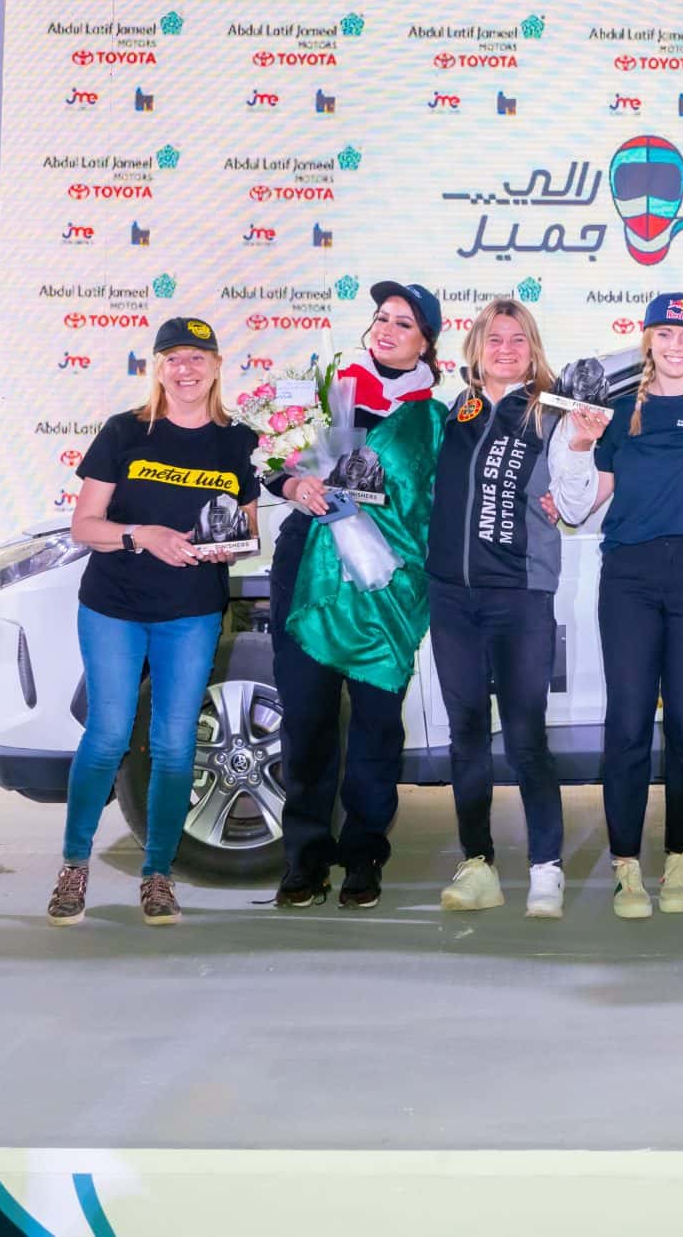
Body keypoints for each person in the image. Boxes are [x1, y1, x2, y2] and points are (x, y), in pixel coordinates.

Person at [46, 317, 259, 927]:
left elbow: (248, 533)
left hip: (191, 612)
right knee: (108, 735)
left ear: (216, 367)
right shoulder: (125, 431)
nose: (185, 369)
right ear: (157, 368)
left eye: (197, 357)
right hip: (114, 606)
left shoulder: (240, 441)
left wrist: (224, 547)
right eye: (173, 358)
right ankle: (74, 865)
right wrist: (144, 534)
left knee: (173, 745)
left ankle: (158, 874)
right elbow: (84, 526)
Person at [552, 292, 683, 920]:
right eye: (665, 334)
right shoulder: (617, 414)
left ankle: (679, 859)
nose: (676, 346)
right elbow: (581, 504)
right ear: (648, 340)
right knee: (629, 722)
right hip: (630, 577)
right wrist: (579, 446)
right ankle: (625, 866)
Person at [267, 282, 447, 910]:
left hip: (387, 585)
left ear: (426, 343)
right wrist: (293, 486)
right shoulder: (324, 392)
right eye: (381, 318)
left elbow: (437, 507)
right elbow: (272, 460)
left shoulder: (434, 420)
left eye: (404, 323)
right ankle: (305, 857)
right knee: (308, 719)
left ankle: (365, 854)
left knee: (376, 725)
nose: (387, 330)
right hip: (308, 574)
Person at [428, 298, 571, 919]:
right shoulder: (451, 413)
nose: (506, 350)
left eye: (517, 340)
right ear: (476, 349)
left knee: (525, 736)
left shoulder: (552, 414)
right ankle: (478, 864)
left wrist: (569, 496)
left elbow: (580, 489)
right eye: (494, 339)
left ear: (532, 349)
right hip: (450, 596)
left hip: (519, 595)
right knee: (465, 735)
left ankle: (546, 868)